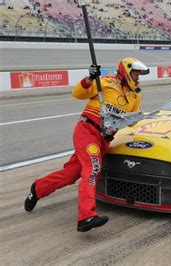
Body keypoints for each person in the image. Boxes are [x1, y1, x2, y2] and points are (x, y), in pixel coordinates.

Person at [24, 58, 150, 232]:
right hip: (87, 130)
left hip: (103, 139)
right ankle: (86, 216)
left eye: (139, 74)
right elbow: (77, 94)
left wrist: (136, 120)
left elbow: (128, 122)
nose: (138, 77)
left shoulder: (136, 96)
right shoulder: (104, 82)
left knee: (70, 174)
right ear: (127, 71)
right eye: (136, 73)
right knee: (92, 169)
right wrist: (89, 79)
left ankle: (38, 188)